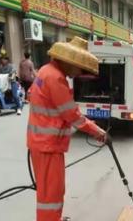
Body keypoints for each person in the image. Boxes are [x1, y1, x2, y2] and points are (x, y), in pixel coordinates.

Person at [27, 37, 107, 221]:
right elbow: (72, 115)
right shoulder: (55, 78)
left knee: (48, 192)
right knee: (51, 196)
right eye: (78, 67)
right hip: (47, 147)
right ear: (69, 61)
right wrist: (98, 132)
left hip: (41, 143)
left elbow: (36, 97)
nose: (78, 73)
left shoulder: (45, 71)